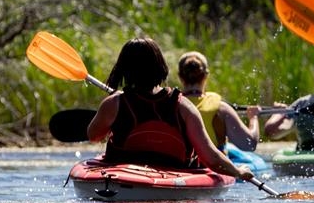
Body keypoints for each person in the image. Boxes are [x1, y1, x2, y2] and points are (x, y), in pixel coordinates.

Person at [86, 38, 252, 181]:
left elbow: (93, 136)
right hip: (174, 178)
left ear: (124, 69)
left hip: (123, 178)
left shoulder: (113, 104)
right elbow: (210, 157)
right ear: (160, 66)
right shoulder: (183, 106)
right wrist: (238, 171)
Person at [177, 50, 260, 152]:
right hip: (213, 165)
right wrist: (253, 117)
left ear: (180, 76)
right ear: (205, 75)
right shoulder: (221, 108)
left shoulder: (170, 105)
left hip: (180, 165)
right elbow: (249, 144)